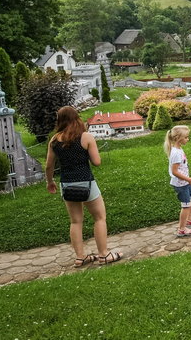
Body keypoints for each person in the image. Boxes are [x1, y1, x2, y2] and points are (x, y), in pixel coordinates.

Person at [45, 106, 123, 266]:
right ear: (76, 118)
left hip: (67, 184)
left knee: (75, 222)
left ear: (59, 120)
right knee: (100, 217)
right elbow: (97, 162)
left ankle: (80, 257)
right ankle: (104, 254)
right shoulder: (86, 137)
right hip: (86, 183)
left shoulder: (54, 140)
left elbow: (48, 166)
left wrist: (50, 182)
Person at [164, 125, 191, 237]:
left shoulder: (178, 149)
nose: (187, 139)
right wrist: (188, 179)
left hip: (185, 182)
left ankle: (189, 219)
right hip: (181, 184)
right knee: (185, 205)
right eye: (186, 137)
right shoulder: (176, 153)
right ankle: (182, 229)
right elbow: (174, 172)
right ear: (178, 138)